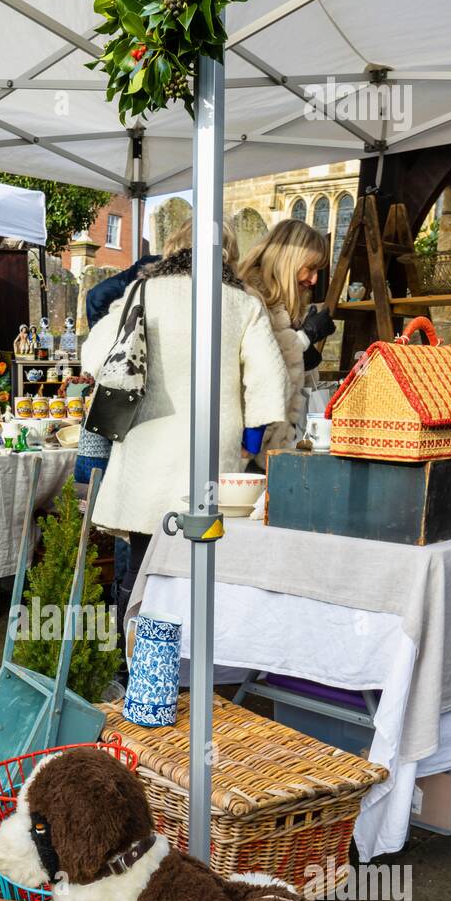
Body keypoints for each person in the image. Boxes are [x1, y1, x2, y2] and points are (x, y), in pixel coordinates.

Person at [81, 219, 288, 618]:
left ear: (173, 248)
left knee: (144, 560)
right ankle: (196, 660)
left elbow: (95, 356)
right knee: (205, 561)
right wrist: (250, 441)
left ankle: (138, 657)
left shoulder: (143, 290)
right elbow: (268, 378)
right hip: (214, 447)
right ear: (227, 255)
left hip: (146, 440)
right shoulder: (243, 303)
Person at [238, 219, 335, 462]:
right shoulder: (249, 299)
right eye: (309, 268)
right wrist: (304, 338)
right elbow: (264, 369)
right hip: (248, 449)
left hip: (273, 446)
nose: (313, 280)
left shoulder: (282, 304)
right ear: (288, 261)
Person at [86, 252, 160, 328]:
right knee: (96, 295)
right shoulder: (146, 262)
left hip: (162, 267)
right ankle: (99, 335)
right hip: (143, 267)